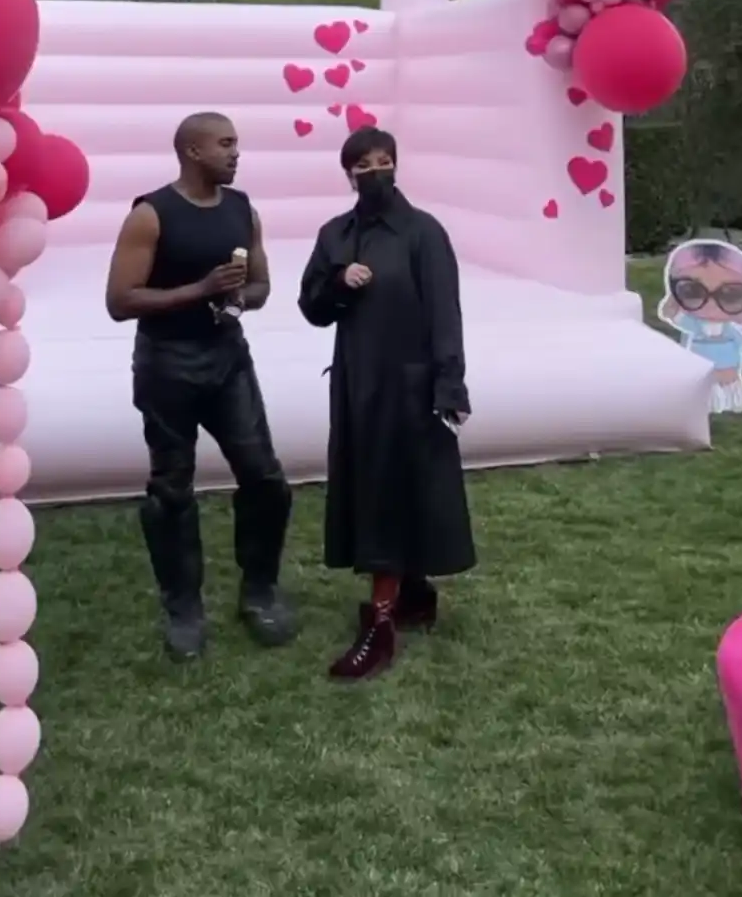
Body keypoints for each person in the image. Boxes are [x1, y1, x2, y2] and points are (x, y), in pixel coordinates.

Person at [106, 112, 295, 660]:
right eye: (226, 144)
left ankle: (259, 591)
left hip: (227, 359)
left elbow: (260, 285)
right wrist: (200, 289)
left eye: (237, 144)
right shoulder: (151, 214)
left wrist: (239, 297)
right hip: (167, 363)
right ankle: (184, 609)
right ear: (192, 150)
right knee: (171, 489)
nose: (237, 154)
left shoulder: (243, 210)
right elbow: (121, 301)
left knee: (264, 477)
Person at [298, 125, 476, 682]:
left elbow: (445, 313)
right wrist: (338, 282)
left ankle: (380, 624)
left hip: (412, 388)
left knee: (398, 491)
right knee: (374, 487)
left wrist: (450, 386)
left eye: (385, 160)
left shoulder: (423, 233)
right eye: (364, 163)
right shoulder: (335, 234)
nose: (375, 170)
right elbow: (312, 306)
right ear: (348, 173)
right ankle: (414, 595)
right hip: (357, 388)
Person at [658, 239, 742, 414]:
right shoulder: (694, 325)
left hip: (729, 364)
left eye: (730, 294)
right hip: (703, 361)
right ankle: (710, 402)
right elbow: (675, 317)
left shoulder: (729, 330)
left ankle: (731, 400)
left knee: (728, 381)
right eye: (693, 292)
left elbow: (740, 336)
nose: (711, 305)